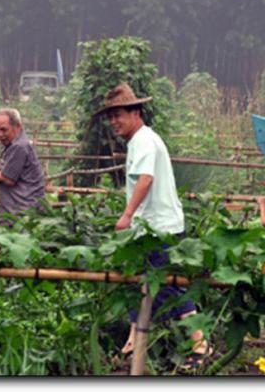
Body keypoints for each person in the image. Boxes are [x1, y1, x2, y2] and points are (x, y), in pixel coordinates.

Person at [95, 82, 211, 370]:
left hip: (161, 230)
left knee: (168, 287)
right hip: (151, 229)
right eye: (110, 116)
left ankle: (201, 343)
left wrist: (126, 214)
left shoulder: (144, 141)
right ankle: (134, 343)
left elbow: (145, 178)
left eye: (118, 114)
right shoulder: (140, 140)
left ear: (136, 112)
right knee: (143, 284)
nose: (114, 121)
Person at [0, 108, 45, 227]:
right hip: (19, 210)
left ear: (18, 126)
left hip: (23, 212)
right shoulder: (16, 144)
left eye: (4, 130)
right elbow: (8, 169)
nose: (0, 135)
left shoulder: (19, 147)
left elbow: (7, 179)